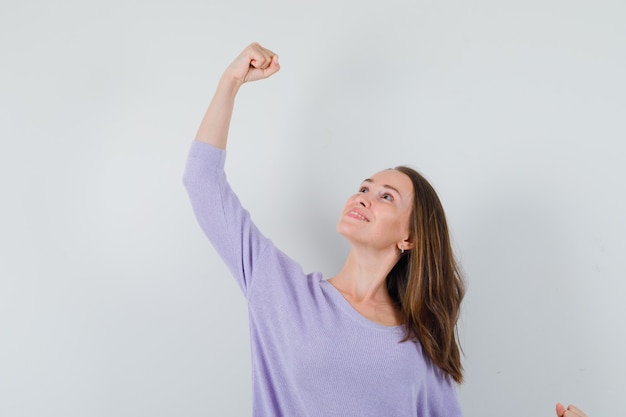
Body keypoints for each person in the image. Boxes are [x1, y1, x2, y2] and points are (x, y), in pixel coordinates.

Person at [183, 42, 591, 417]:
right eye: (364, 187)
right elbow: (202, 182)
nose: (363, 196)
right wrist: (230, 82)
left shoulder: (420, 348)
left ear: (409, 237)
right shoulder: (279, 290)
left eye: (386, 197)